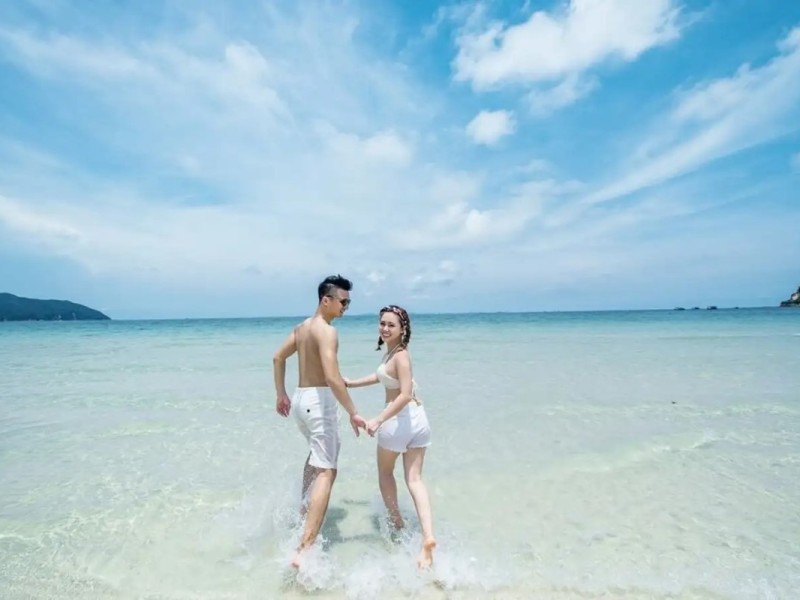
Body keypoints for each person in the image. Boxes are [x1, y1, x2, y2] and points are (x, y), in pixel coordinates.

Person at [273, 274, 367, 568]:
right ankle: (305, 548)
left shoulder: (302, 328)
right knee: (327, 472)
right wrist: (353, 411)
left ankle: (303, 511)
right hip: (319, 401)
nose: (346, 308)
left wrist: (281, 394)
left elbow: (277, 358)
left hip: (300, 401)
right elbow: (331, 377)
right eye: (343, 301)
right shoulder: (327, 331)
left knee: (315, 460)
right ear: (326, 300)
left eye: (348, 303)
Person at [344, 305, 436, 569]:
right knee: (415, 479)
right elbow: (382, 377)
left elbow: (404, 393)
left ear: (403, 329)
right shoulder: (393, 354)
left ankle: (397, 523)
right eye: (382, 323)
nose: (384, 328)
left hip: (398, 421)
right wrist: (352, 383)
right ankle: (428, 537)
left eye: (391, 325)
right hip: (419, 421)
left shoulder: (402, 356)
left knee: (386, 474)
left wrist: (378, 419)